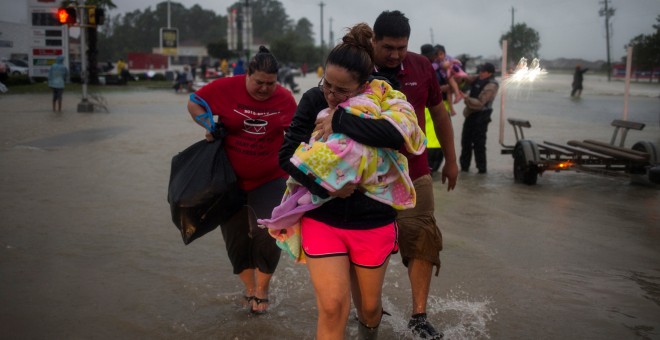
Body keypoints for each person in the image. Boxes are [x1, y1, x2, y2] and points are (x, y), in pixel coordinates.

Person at [278, 23, 423, 339]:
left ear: (365, 83)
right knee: (331, 307)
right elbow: (287, 155)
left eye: (341, 90)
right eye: (327, 84)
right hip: (323, 217)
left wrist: (341, 118)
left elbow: (396, 135)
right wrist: (326, 186)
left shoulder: (386, 96)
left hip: (372, 220)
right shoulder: (314, 98)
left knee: (369, 309)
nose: (330, 94)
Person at [186, 46, 296, 314]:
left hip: (271, 177)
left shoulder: (285, 99)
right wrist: (209, 126)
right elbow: (193, 101)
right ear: (247, 74)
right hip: (229, 180)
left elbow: (297, 133)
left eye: (270, 83)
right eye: (259, 82)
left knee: (269, 233)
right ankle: (249, 289)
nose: (264, 88)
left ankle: (262, 289)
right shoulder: (225, 87)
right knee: (236, 240)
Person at [371, 10, 458, 340]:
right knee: (368, 243)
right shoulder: (358, 64)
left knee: (422, 238)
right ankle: (367, 310)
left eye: (401, 48)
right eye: (388, 47)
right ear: (374, 41)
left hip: (415, 172)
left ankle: (419, 315)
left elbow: (439, 113)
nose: (395, 55)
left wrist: (451, 160)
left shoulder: (422, 66)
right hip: (366, 178)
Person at [460, 62, 499, 174]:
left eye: (483, 71)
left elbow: (481, 103)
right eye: (480, 70)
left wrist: (466, 98)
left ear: (489, 73)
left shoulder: (492, 85)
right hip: (470, 115)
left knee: (479, 144)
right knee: (465, 141)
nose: (480, 73)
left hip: (482, 117)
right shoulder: (477, 78)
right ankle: (464, 168)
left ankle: (481, 170)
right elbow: (466, 78)